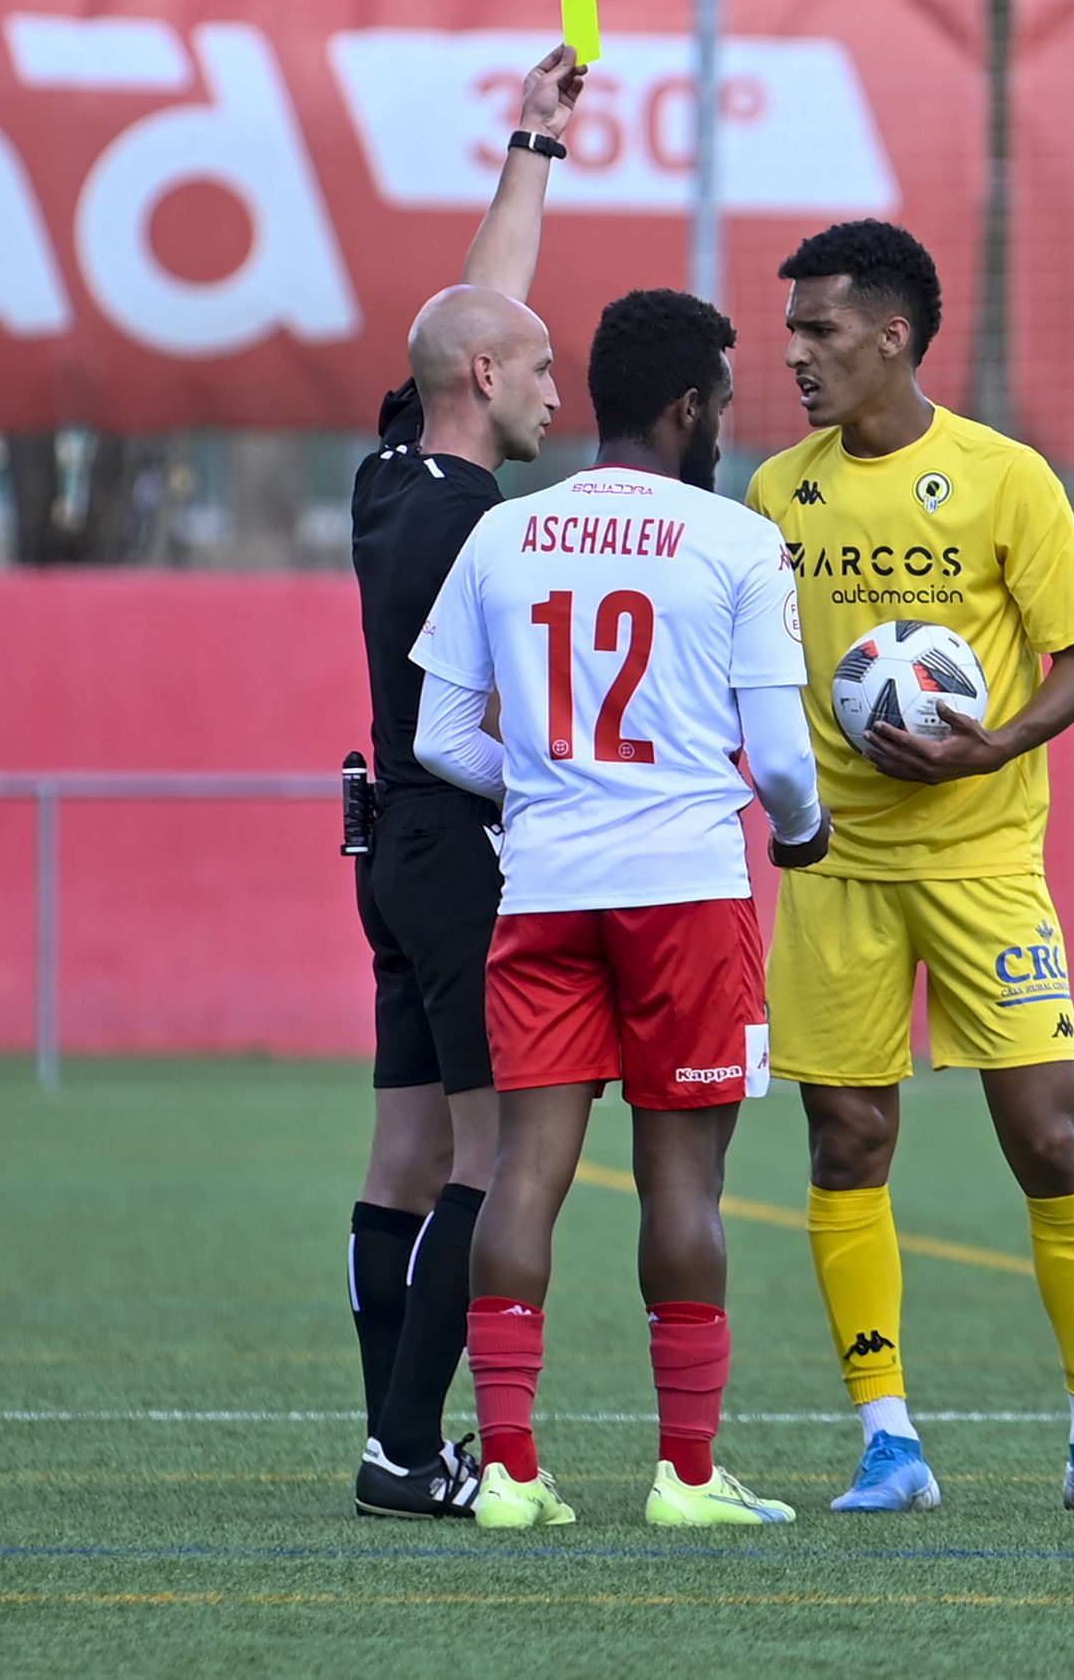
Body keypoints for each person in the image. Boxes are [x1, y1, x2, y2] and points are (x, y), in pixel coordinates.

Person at [745, 218, 1074, 1516]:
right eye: (790, 332)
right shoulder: (775, 490)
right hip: (832, 866)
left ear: (892, 337)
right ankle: (887, 1439)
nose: (795, 355)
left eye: (817, 330)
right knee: (846, 1137)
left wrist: (995, 740)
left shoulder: (1005, 479)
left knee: (1046, 1133)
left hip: (985, 861)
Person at [411, 287, 832, 1530]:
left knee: (524, 1179)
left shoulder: (501, 535)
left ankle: (509, 1475)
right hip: (686, 898)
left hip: (543, 894)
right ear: (688, 406)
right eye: (724, 404)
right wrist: (799, 836)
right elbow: (785, 764)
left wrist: (541, 795)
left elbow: (441, 736)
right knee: (683, 1191)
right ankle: (687, 1480)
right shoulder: (736, 541)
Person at [346, 44, 584, 1520]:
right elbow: (459, 730)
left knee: (405, 1147)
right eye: (541, 367)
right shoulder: (473, 536)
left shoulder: (390, 476)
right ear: (490, 383)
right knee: (492, 1155)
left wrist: (532, 150)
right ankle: (406, 1444)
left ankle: (391, 1441)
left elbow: (462, 317)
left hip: (390, 855)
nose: (559, 390)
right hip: (456, 850)